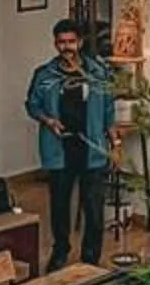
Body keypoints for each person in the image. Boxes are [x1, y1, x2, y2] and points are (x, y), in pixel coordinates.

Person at [26, 18, 116, 269]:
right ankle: (61, 250)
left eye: (71, 42)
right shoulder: (44, 75)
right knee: (60, 207)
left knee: (94, 210)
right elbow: (32, 105)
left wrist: (114, 142)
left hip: (93, 148)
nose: (66, 47)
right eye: (61, 42)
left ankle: (90, 258)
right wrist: (48, 120)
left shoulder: (98, 72)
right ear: (55, 44)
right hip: (59, 149)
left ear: (80, 42)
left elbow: (109, 108)